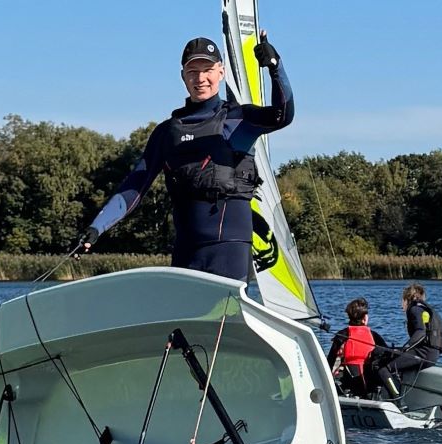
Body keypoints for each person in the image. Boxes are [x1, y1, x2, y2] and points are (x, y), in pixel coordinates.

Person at [71, 32, 293, 281]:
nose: (200, 78)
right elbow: (134, 187)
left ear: (221, 72)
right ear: (183, 76)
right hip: (186, 251)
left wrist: (274, 67)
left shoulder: (239, 119)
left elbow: (282, 115)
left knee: (219, 318)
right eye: (192, 71)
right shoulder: (167, 133)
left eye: (207, 69)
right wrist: (95, 228)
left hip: (229, 247)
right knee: (184, 319)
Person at [379, 282, 442, 399]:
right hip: (432, 354)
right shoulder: (425, 309)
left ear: (407, 298)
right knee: (394, 359)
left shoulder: (414, 309)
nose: (402, 303)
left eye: (402, 299)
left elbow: (421, 332)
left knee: (383, 368)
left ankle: (396, 399)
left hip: (423, 353)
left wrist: (405, 348)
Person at [327, 297, 390, 397]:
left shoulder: (341, 336)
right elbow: (388, 354)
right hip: (370, 387)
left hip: (349, 385)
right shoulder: (374, 336)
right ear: (365, 318)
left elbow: (330, 361)